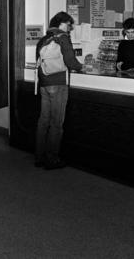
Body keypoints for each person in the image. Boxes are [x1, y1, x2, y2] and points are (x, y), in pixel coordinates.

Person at [35, 11, 83, 169]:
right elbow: (70, 61)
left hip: (44, 84)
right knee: (56, 123)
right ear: (63, 23)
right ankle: (52, 159)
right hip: (59, 84)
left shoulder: (44, 39)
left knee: (43, 121)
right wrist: (83, 67)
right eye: (70, 24)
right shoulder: (63, 38)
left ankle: (39, 157)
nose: (70, 28)